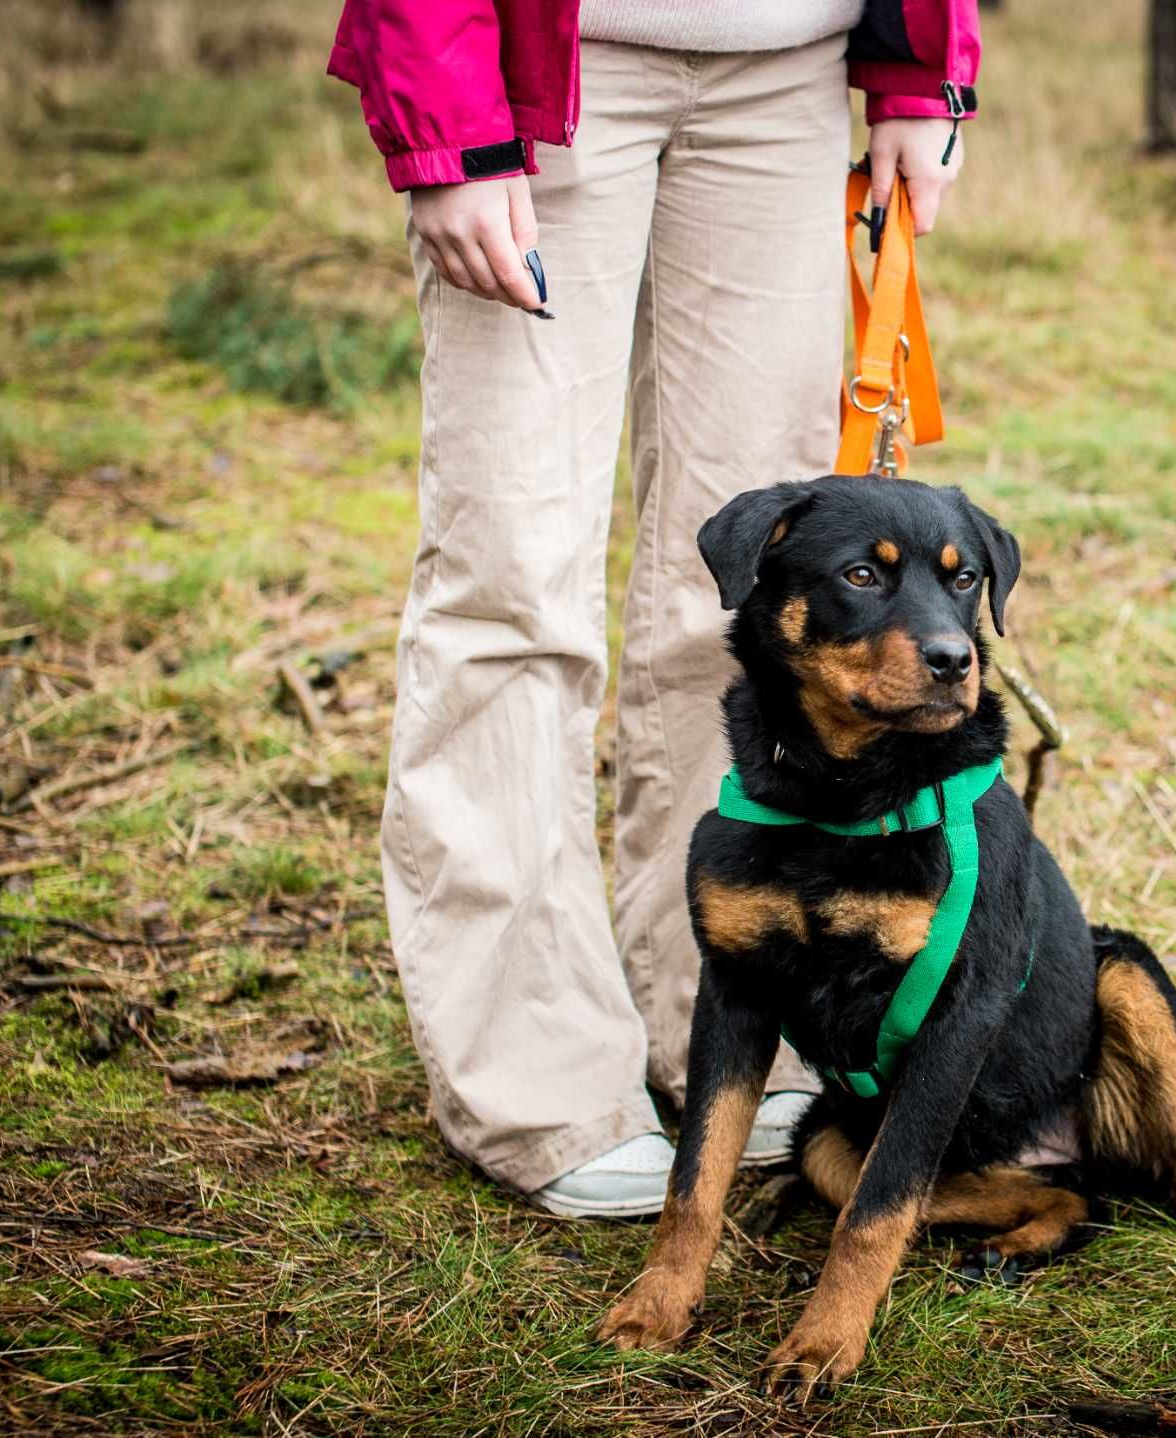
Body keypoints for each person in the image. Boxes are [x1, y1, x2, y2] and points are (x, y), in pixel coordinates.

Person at [327, 0, 981, 1217]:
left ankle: (721, 1022)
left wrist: (917, 67)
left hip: (783, 80)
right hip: (543, 74)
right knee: (509, 588)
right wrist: (447, 123)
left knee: (742, 603)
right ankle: (534, 1082)